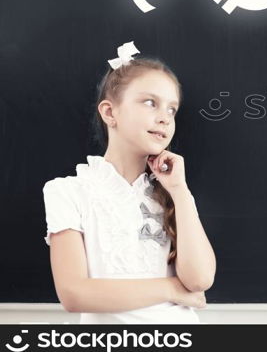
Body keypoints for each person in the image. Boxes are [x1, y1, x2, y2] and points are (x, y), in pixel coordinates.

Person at [42, 41, 216, 323]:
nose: (164, 118)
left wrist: (180, 192)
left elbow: (199, 280)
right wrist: (171, 288)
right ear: (110, 113)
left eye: (172, 110)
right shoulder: (67, 191)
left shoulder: (173, 192)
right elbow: (74, 294)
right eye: (150, 103)